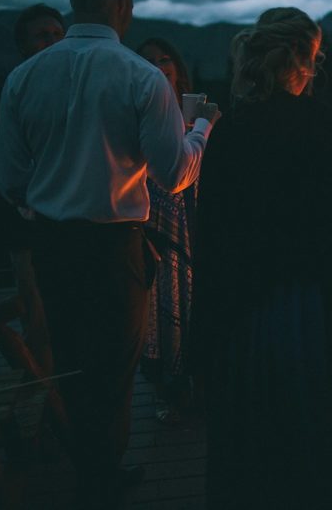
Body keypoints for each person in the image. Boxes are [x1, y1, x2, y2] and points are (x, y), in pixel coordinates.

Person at [0, 0, 219, 507]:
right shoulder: (141, 77)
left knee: (69, 365)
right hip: (117, 248)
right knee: (113, 375)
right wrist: (203, 129)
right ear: (121, 0)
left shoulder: (25, 77)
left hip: (52, 244)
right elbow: (174, 175)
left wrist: (45, 200)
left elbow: (8, 177)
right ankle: (101, 480)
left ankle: (91, 476)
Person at [194, 7, 332, 509]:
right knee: (313, 440)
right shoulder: (315, 123)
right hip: (306, 316)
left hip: (241, 317)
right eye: (315, 58)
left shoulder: (229, 130)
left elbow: (208, 232)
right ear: (299, 58)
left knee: (254, 443)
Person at [1, 3, 67, 376]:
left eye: (59, 35)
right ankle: (43, 407)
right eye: (43, 36)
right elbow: (8, 171)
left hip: (73, 227)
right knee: (40, 321)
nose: (53, 42)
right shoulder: (17, 87)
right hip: (31, 227)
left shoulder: (76, 87)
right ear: (23, 46)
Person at [135, 37, 198, 425]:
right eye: (149, 62)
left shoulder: (199, 112)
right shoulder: (135, 111)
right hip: (152, 227)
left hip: (197, 223)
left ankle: (199, 386)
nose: (159, 67)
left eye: (165, 60)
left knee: (200, 306)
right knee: (159, 311)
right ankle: (167, 391)